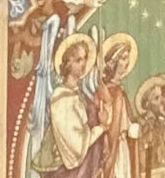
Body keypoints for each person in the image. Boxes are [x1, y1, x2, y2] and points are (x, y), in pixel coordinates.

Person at [31, 34, 108, 178]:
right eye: (78, 60)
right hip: (67, 169)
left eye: (85, 58)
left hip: (85, 164)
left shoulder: (81, 95)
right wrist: (100, 128)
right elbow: (76, 144)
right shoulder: (61, 98)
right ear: (67, 63)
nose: (83, 64)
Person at [96, 35, 143, 178]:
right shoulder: (108, 90)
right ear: (114, 62)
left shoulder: (120, 90)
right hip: (114, 147)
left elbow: (126, 120)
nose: (127, 62)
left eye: (127, 58)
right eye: (123, 58)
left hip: (123, 145)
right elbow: (110, 124)